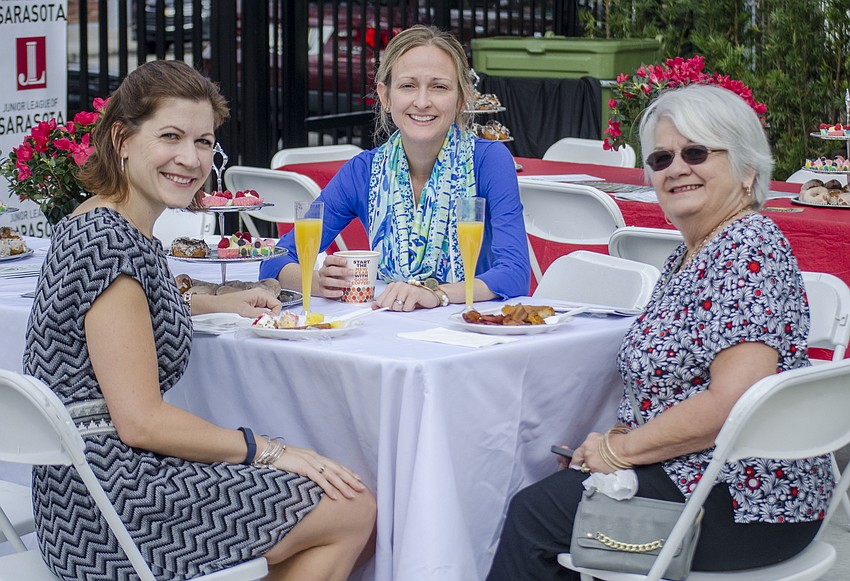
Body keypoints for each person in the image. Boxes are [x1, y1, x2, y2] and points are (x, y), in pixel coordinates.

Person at [24, 60, 376, 581]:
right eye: (171, 137)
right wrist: (270, 450)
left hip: (71, 492)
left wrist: (215, 302)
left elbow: (124, 313)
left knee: (330, 502)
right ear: (122, 138)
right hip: (110, 504)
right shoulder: (111, 245)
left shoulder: (95, 222)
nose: (190, 159)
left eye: (204, 142)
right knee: (350, 506)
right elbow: (142, 422)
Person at [486, 83, 833, 579]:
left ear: (747, 169)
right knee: (549, 490)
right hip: (702, 475)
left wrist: (617, 451)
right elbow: (676, 388)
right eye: (662, 158)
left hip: (750, 501)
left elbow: (731, 401)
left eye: (696, 152)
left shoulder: (747, 248)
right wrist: (615, 441)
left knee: (532, 516)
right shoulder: (693, 252)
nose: (676, 168)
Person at [259, 25, 530, 311]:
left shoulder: (489, 161)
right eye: (408, 85)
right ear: (385, 96)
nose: (423, 102)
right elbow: (274, 259)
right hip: (387, 324)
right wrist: (318, 282)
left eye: (439, 86)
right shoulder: (364, 171)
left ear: (462, 98)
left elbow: (514, 274)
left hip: (470, 329)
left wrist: (435, 293)